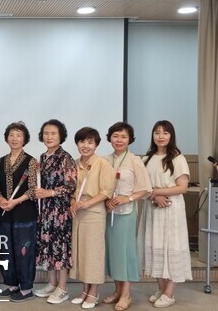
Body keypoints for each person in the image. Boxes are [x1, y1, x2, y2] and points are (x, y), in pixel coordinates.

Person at [140, 120, 192, 308]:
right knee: (155, 248)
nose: (160, 136)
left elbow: (183, 187)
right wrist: (154, 196)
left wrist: (158, 192)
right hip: (153, 209)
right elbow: (142, 188)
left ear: (171, 136)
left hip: (171, 210)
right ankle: (161, 289)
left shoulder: (178, 158)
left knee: (172, 249)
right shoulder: (147, 159)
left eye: (165, 133)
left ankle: (170, 293)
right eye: (157, 132)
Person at [102, 122, 152, 311]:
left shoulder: (134, 160)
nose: (119, 140)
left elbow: (145, 188)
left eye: (123, 136)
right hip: (108, 212)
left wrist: (127, 198)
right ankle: (117, 291)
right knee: (113, 253)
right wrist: (106, 200)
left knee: (125, 253)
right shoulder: (105, 160)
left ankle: (126, 294)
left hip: (126, 213)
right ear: (110, 138)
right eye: (115, 136)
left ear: (130, 139)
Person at [68, 127, 115, 309]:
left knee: (93, 253)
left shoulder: (102, 164)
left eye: (90, 142)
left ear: (96, 145)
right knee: (81, 252)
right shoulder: (75, 163)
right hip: (78, 211)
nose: (85, 146)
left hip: (94, 211)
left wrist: (87, 204)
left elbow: (107, 191)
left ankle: (93, 293)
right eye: (82, 142)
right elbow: (71, 189)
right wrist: (73, 203)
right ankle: (84, 290)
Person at [33, 119, 77, 304]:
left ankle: (62, 288)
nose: (49, 136)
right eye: (46, 133)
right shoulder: (43, 157)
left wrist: (50, 192)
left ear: (61, 136)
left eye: (53, 133)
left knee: (60, 249)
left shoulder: (65, 157)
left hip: (59, 211)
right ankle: (51, 283)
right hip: (45, 210)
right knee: (47, 246)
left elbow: (71, 185)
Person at [0, 122, 38, 303]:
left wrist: (16, 201)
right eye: (11, 135)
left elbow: (33, 189)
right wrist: (0, 199)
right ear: (7, 138)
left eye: (18, 135)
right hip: (4, 213)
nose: (14, 138)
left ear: (25, 139)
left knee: (23, 251)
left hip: (24, 214)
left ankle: (26, 288)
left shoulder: (31, 161)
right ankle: (12, 285)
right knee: (6, 249)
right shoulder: (1, 161)